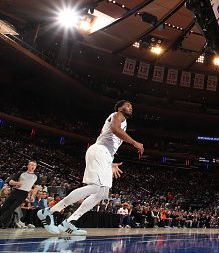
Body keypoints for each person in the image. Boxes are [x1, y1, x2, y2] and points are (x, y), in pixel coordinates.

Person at [38, 100, 143, 235]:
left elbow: (109, 140)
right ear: (120, 107)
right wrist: (135, 143)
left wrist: (110, 162)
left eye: (131, 106)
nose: (130, 108)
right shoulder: (117, 115)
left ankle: (70, 221)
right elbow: (115, 130)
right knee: (95, 187)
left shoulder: (124, 122)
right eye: (128, 105)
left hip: (105, 155)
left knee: (102, 192)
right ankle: (48, 212)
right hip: (99, 151)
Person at [0, 160, 40, 229]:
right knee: (5, 207)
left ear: (36, 167)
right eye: (31, 165)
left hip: (23, 193)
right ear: (28, 166)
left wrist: (33, 195)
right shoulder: (21, 173)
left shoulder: (36, 176)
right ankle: (4, 224)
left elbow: (36, 187)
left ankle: (2, 222)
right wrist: (17, 183)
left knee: (12, 208)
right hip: (15, 191)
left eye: (34, 165)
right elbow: (10, 182)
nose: (33, 166)